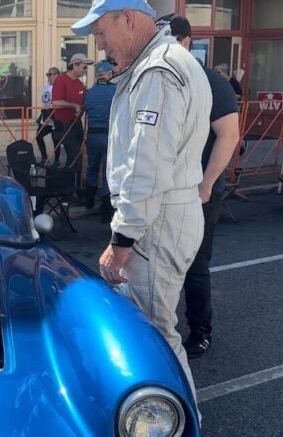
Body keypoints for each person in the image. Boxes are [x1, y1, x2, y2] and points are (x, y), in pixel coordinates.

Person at [72, 0, 212, 404]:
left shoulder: (157, 73)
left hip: (158, 217)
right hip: (168, 211)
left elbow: (145, 167)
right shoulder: (169, 62)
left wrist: (122, 242)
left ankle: (177, 431)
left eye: (100, 33)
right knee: (153, 328)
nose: (99, 46)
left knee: (154, 335)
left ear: (128, 19)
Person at [168, 16, 241, 358]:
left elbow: (229, 135)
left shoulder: (211, 81)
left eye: (168, 38)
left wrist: (207, 184)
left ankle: (200, 332)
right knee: (161, 263)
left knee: (195, 264)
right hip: (167, 188)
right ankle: (161, 330)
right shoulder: (164, 78)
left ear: (184, 40)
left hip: (199, 190)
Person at [83, 59, 117, 219]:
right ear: (109, 74)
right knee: (107, 172)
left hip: (92, 135)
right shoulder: (116, 91)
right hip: (109, 135)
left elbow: (84, 113)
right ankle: (105, 209)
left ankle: (89, 201)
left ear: (97, 75)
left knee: (92, 167)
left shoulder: (89, 93)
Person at [51, 53, 92, 170]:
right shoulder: (61, 80)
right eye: (84, 67)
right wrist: (74, 105)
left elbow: (82, 102)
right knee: (73, 156)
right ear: (75, 65)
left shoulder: (80, 84)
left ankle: (76, 182)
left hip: (76, 122)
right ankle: (69, 183)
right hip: (64, 124)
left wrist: (81, 108)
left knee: (80, 154)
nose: (85, 70)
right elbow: (56, 102)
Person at [36, 67, 60, 164]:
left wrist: (51, 116)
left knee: (56, 139)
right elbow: (44, 102)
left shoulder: (58, 87)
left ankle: (57, 160)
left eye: (50, 74)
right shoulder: (45, 87)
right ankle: (44, 157)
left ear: (57, 75)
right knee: (39, 136)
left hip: (55, 115)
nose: (48, 77)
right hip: (46, 113)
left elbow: (57, 103)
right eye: (48, 74)